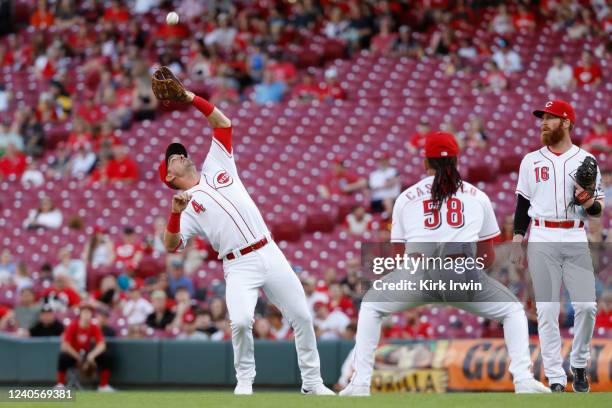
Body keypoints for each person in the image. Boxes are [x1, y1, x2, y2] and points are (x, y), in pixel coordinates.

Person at [152, 66, 333, 396]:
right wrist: (174, 215)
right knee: (240, 322)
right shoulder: (185, 204)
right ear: (170, 178)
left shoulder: (216, 165)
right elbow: (171, 246)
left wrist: (190, 98)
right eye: (173, 158)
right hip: (238, 265)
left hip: (268, 250)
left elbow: (223, 123)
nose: (179, 155)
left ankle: (313, 383)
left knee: (302, 318)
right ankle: (245, 382)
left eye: (179, 152)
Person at [340, 132, 550, 396]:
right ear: (456, 161)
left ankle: (359, 384)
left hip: (419, 275)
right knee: (512, 312)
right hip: (463, 274)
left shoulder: (405, 197)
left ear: (425, 162)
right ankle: (522, 380)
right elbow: (488, 256)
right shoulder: (478, 195)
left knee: (371, 306)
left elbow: (397, 256)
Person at [511, 100, 604, 393]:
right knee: (547, 310)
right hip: (541, 235)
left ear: (566, 123)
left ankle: (578, 363)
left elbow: (597, 209)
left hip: (575, 235)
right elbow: (522, 203)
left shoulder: (586, 159)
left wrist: (589, 201)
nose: (543, 123)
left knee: (587, 307)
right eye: (542, 118)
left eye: (550, 118)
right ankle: (555, 378)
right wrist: (516, 239)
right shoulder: (530, 160)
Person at [56, 303, 114, 392]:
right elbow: (65, 345)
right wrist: (77, 357)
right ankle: (60, 385)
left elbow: (102, 345)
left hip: (88, 354)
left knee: (107, 356)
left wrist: (92, 355)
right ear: (80, 313)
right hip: (75, 354)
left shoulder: (94, 327)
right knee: (62, 356)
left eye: (89, 312)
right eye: (85, 312)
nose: (87, 314)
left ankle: (103, 385)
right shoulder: (72, 326)